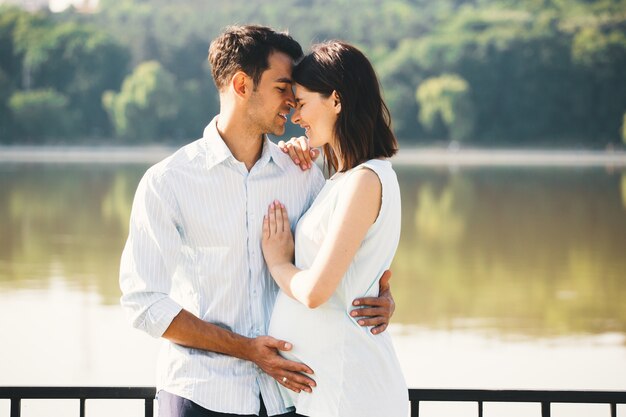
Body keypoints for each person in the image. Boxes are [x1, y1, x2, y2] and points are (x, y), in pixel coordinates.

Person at [119, 25, 395, 417]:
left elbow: (340, 258)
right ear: (242, 84)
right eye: (283, 88)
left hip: (287, 396)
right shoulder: (168, 182)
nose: (293, 104)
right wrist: (246, 349)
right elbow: (144, 303)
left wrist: (379, 299)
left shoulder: (303, 173)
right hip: (200, 396)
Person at [261, 41, 408, 417]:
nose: (296, 116)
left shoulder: (365, 180)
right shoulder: (342, 180)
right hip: (330, 394)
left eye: (303, 103)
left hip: (351, 394)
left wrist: (278, 262)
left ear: (337, 101)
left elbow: (315, 292)